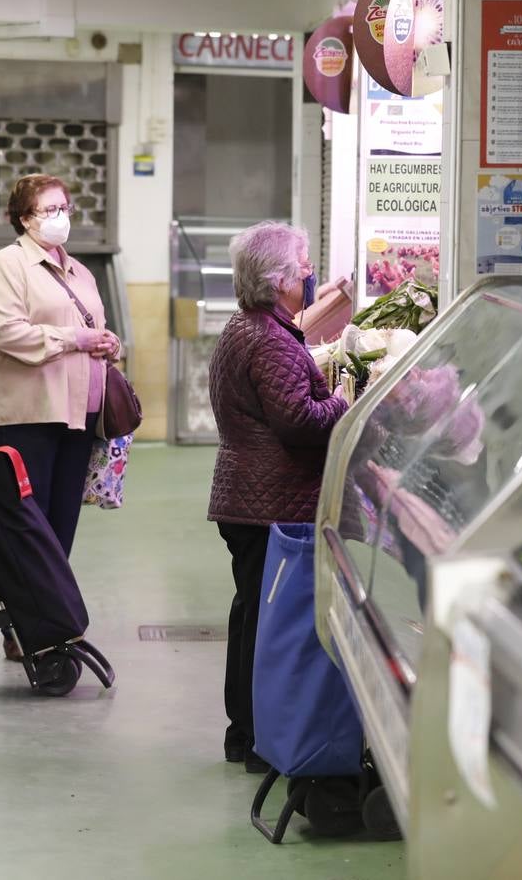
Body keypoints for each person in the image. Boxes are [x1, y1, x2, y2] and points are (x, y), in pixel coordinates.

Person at [207, 221, 349, 773]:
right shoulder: (270, 341)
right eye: (304, 265)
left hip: (245, 496)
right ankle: (257, 733)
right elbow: (298, 422)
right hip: (270, 503)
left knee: (250, 615)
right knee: (267, 624)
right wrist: (341, 401)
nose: (310, 273)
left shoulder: (249, 328)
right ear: (279, 279)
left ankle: (243, 732)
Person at [0, 173, 119, 661]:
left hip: (79, 414)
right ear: (23, 218)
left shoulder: (79, 271)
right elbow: (8, 333)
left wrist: (105, 341)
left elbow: (90, 326)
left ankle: (43, 623)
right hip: (28, 413)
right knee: (27, 525)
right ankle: (22, 622)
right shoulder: (8, 265)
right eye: (48, 210)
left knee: (60, 524)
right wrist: (76, 340)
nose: (60, 217)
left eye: (65, 208)